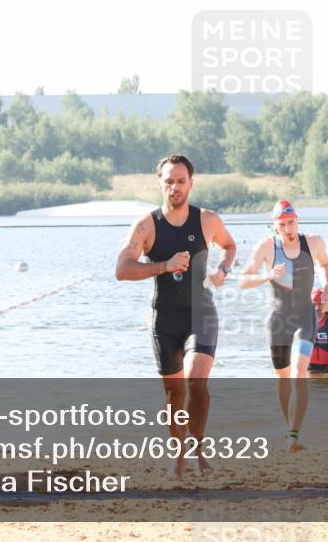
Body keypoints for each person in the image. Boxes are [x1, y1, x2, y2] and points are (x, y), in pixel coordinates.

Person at [115, 154, 236, 479]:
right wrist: (163, 266)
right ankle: (178, 454)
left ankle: (199, 450)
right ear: (160, 184)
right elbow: (122, 270)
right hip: (164, 320)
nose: (175, 187)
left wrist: (224, 269)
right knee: (174, 393)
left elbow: (230, 246)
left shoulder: (208, 220)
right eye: (169, 181)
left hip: (201, 313)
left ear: (191, 184)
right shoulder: (146, 226)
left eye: (181, 181)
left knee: (197, 380)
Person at [239, 200, 328, 451]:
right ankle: (288, 428)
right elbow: (243, 280)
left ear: (297, 220)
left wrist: (327, 290)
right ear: (274, 226)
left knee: (300, 371)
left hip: (305, 314)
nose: (288, 229)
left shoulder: (313, 242)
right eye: (282, 225)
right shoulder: (267, 247)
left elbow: (324, 264)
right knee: (282, 377)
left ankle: (293, 435)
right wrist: (267, 275)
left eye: (291, 223)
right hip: (279, 317)